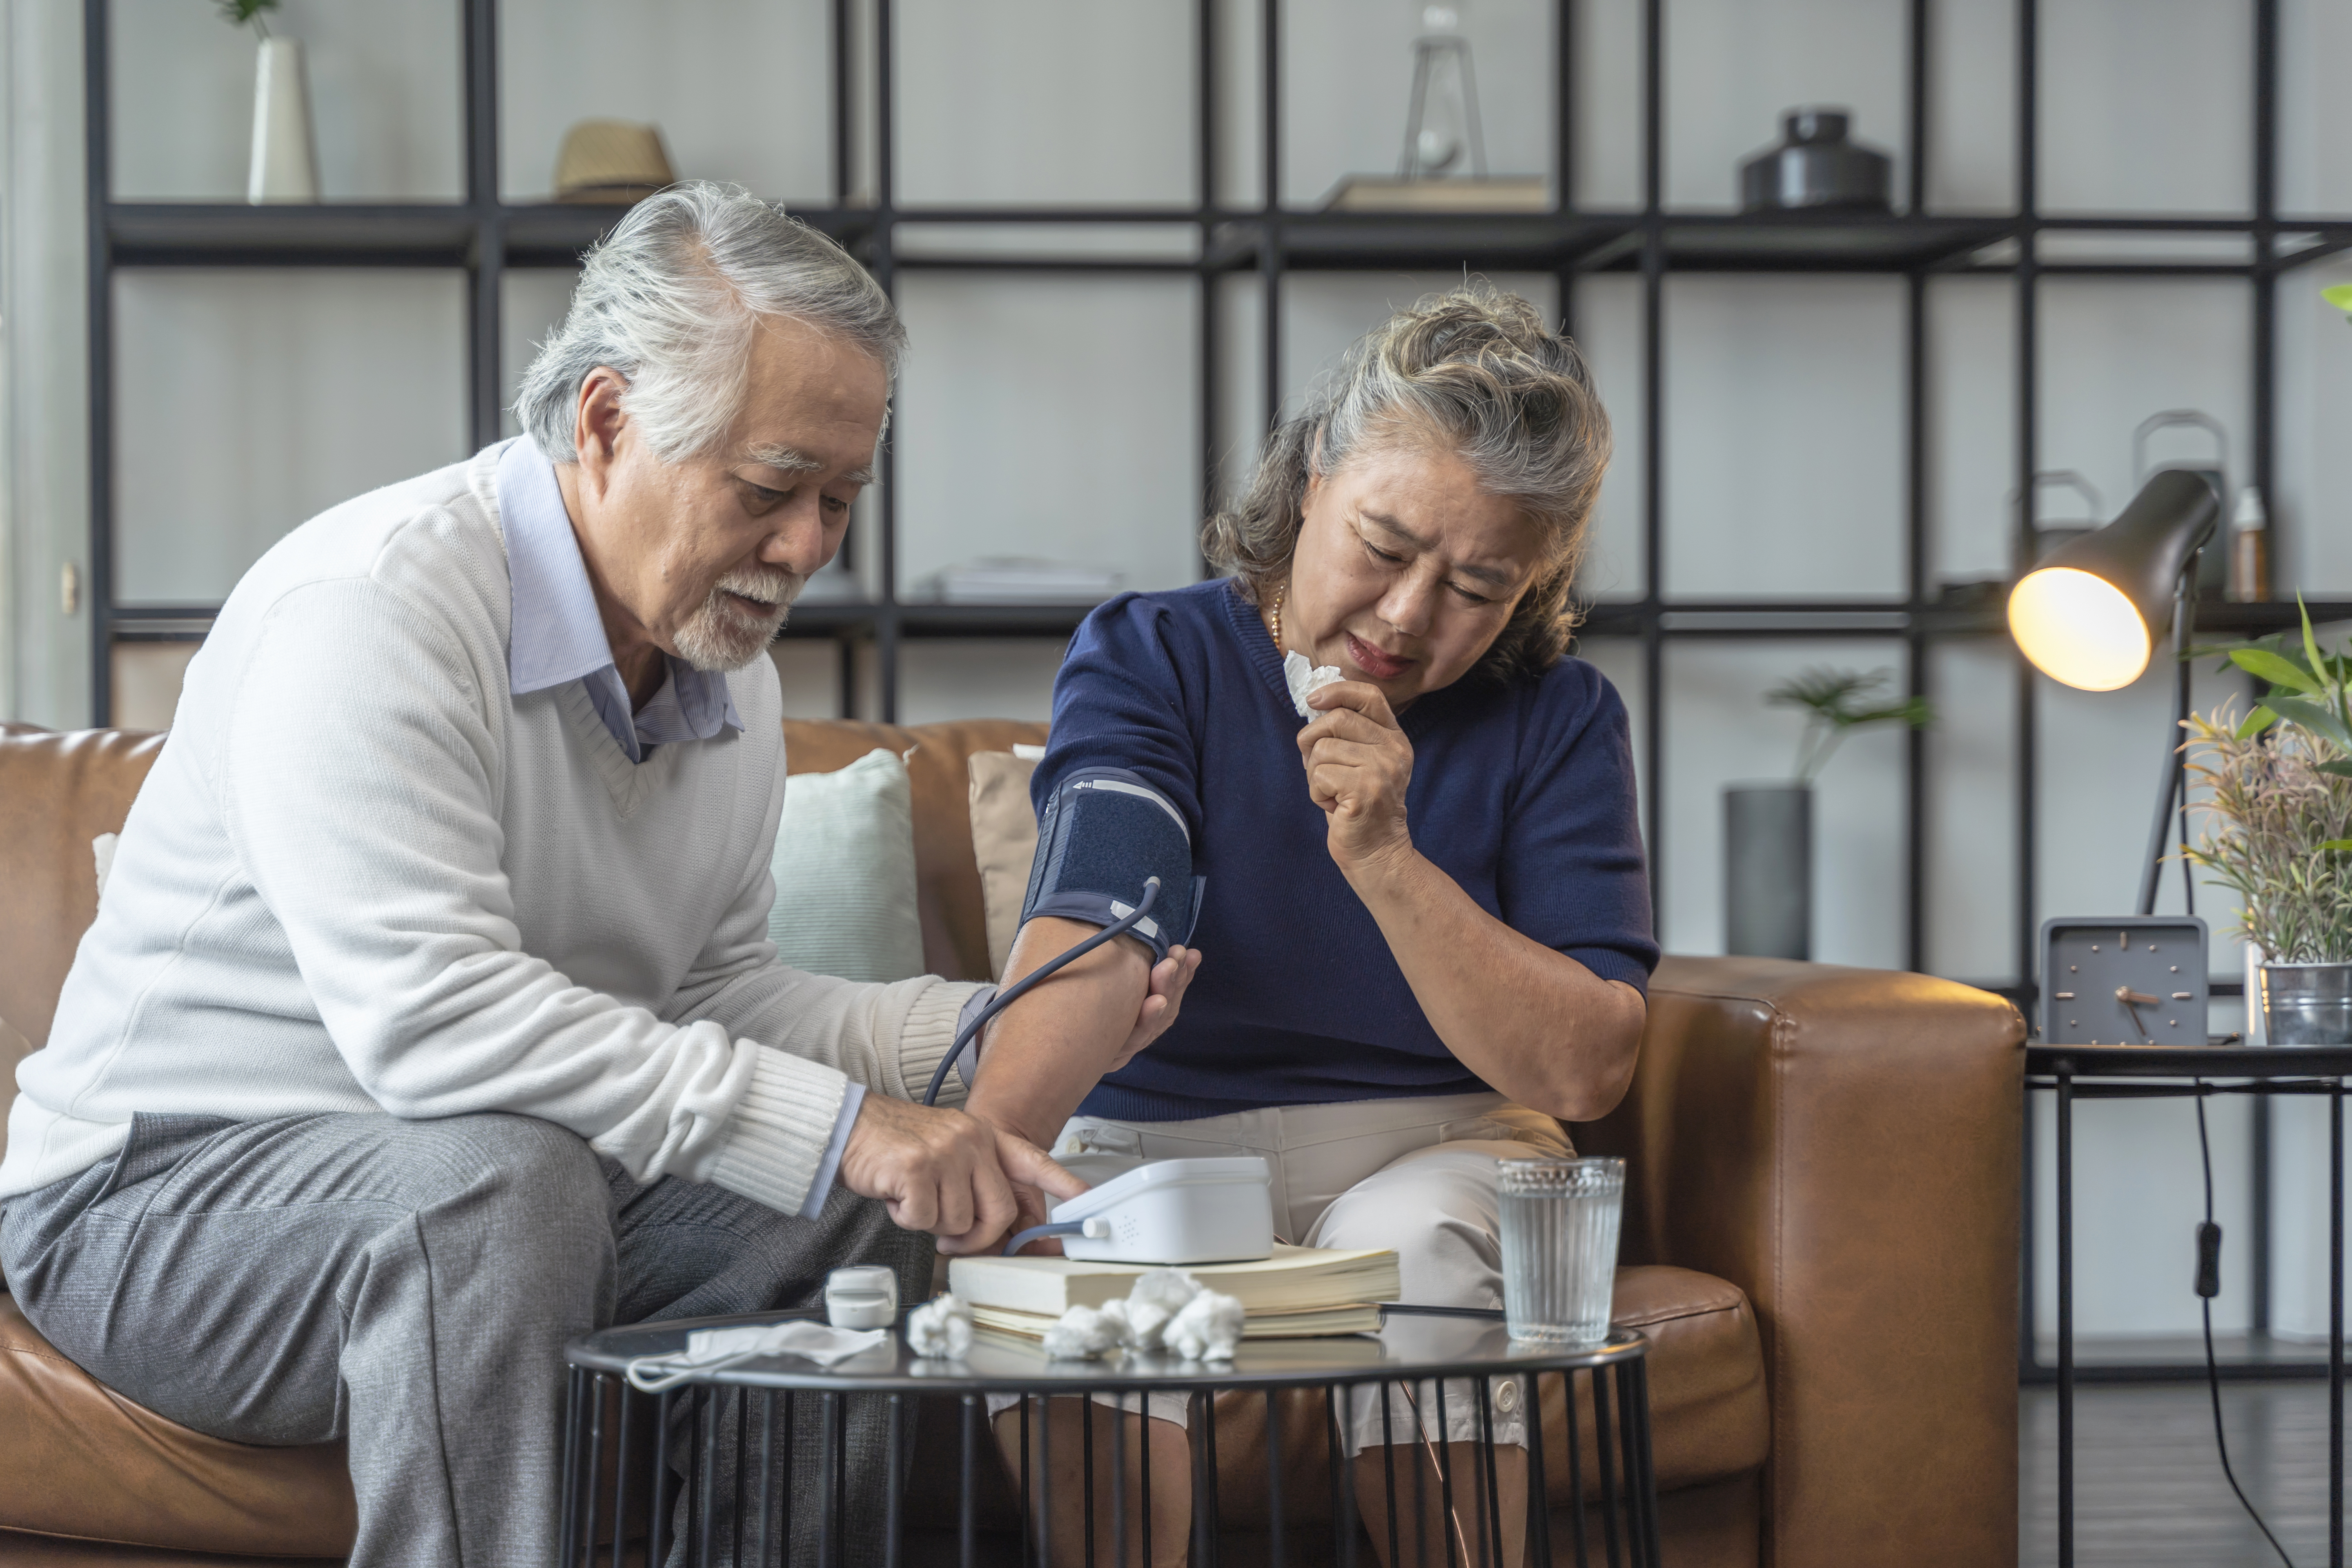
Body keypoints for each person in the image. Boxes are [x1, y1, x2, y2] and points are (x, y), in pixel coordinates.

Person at [0, 182, 1195, 1568]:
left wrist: (1004, 1023)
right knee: (509, 1190)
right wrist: (845, 1121)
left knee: (858, 1206)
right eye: (768, 489)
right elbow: (432, 1023)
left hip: (494, 1175)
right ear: (607, 422)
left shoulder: (720, 672)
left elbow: (713, 991)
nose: (807, 547)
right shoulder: (372, 611)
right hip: (153, 1205)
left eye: (840, 499)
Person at [961, 283, 1655, 1567]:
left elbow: (1584, 1068)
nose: (1407, 617)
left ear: (1535, 586)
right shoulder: (1151, 654)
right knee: (1071, 1285)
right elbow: (1103, 915)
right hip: (1153, 1144)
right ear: (1319, 471)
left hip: (1434, 1140)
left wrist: (1388, 857)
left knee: (1422, 1251)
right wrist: (987, 1155)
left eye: (1479, 585)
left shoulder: (1560, 718)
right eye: (1386, 548)